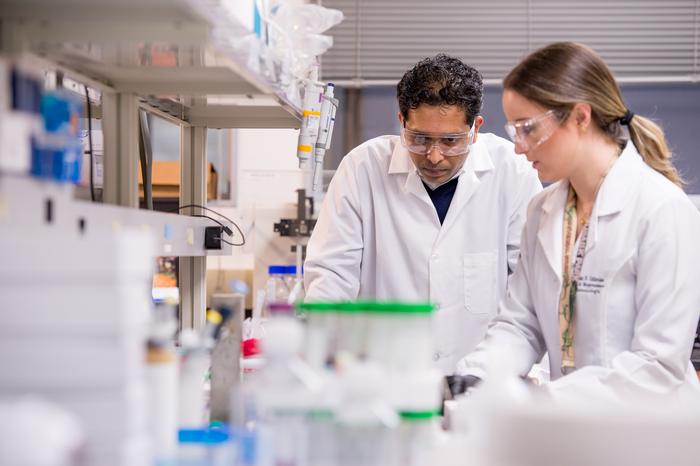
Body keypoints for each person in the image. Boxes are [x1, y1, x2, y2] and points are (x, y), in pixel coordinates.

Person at [452, 42, 700, 399]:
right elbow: (521, 325)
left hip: (652, 436)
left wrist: (544, 399)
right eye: (514, 130)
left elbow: (657, 366)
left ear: (581, 117)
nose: (519, 146)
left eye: (529, 128)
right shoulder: (543, 211)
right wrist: (476, 376)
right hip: (575, 429)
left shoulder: (663, 210)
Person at [304, 54, 542, 373]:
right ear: (402, 121)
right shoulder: (361, 168)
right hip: (383, 378)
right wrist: (326, 357)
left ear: (475, 128)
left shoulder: (513, 172)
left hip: (483, 378)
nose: (434, 156)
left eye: (451, 141)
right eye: (419, 139)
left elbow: (528, 290)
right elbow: (331, 276)